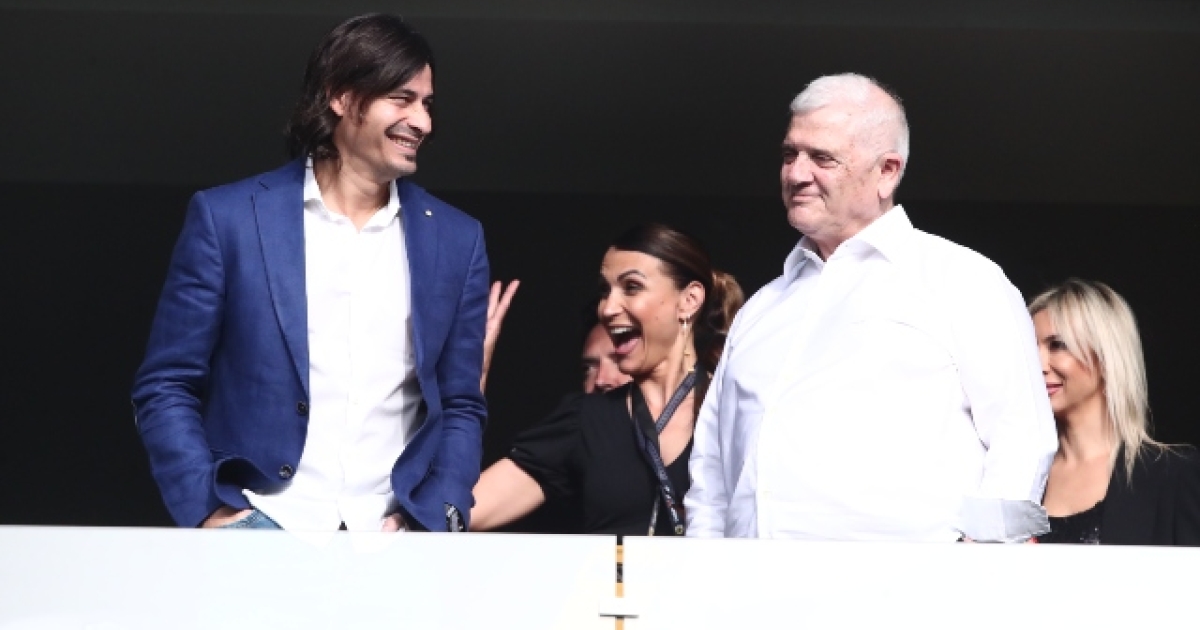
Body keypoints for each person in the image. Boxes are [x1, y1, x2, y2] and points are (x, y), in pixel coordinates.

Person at [131, 14, 490, 533]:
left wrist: (435, 514)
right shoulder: (229, 219)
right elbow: (166, 383)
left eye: (427, 104)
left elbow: (460, 405)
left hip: (390, 536)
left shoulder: (457, 240)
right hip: (261, 523)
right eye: (402, 99)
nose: (423, 122)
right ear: (341, 96)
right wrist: (208, 511)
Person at [686, 73, 1058, 542]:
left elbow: (1022, 436)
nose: (796, 174)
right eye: (790, 154)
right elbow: (713, 473)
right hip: (749, 585)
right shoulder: (762, 308)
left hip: (911, 585)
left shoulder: (961, 280)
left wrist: (979, 564)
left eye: (822, 158)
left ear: (887, 172)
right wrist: (704, 570)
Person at [471, 224, 743, 534]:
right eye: (605, 291)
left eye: (631, 287)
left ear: (689, 300)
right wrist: (467, 380)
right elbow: (461, 510)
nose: (608, 308)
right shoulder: (585, 421)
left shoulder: (738, 409)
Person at [1028, 279, 1200, 544]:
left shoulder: (1174, 474)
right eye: (1029, 349)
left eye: (1058, 345)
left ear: (1106, 356)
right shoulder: (1017, 476)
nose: (1037, 364)